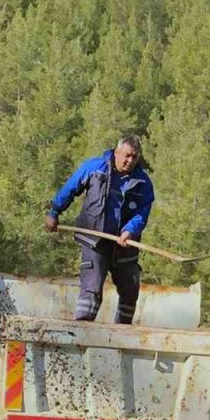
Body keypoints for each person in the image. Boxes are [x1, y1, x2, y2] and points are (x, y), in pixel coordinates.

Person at [45, 135, 155, 324]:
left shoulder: (143, 183)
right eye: (127, 156)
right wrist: (55, 211)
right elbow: (71, 187)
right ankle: (83, 332)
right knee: (92, 288)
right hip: (94, 241)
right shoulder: (95, 167)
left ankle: (122, 334)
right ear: (116, 152)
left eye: (134, 157)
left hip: (125, 245)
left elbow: (142, 213)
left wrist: (129, 230)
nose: (130, 161)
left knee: (130, 289)